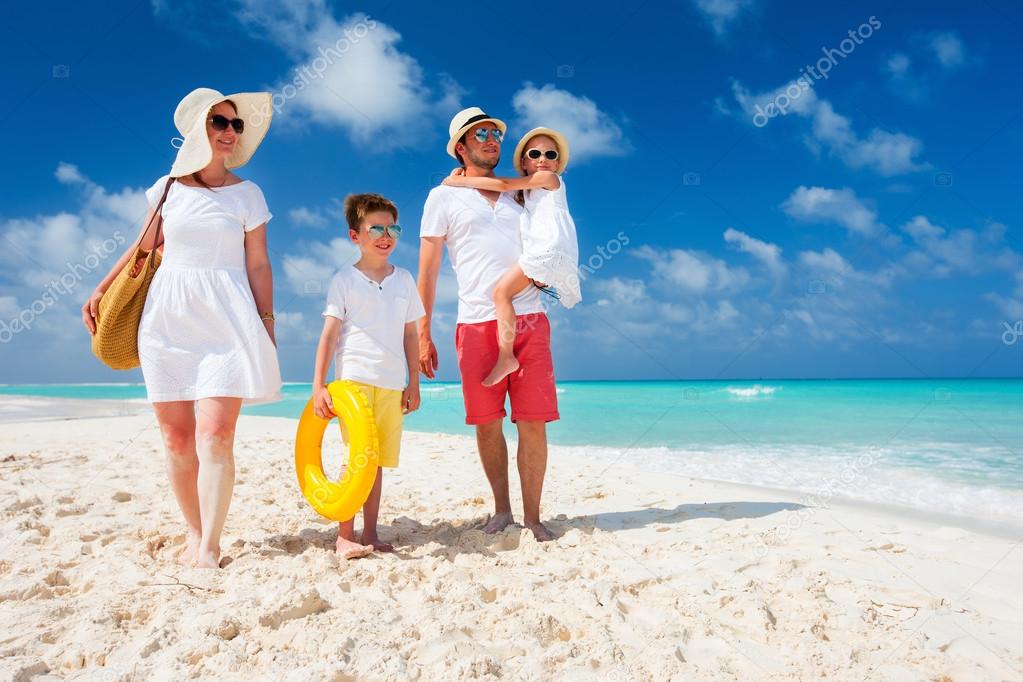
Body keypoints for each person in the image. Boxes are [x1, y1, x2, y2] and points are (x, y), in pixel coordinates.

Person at [82, 88, 281, 569]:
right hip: (167, 318)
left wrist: (267, 322)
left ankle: (211, 544)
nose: (231, 132)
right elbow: (143, 247)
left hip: (228, 319)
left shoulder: (248, 194)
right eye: (220, 122)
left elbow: (258, 265)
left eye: (236, 124)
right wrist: (100, 289)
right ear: (198, 129)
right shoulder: (167, 188)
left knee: (215, 436)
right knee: (176, 438)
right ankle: (193, 532)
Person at [418, 107, 560, 542]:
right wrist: (423, 332)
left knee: (533, 421)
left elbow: (551, 240)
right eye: (480, 133)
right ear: (461, 146)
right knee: (486, 421)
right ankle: (502, 510)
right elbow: (428, 269)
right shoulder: (441, 197)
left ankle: (533, 517)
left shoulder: (522, 194)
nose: (491, 138)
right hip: (475, 321)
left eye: (495, 132)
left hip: (530, 315)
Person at [311, 193, 424, 559]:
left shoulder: (405, 279)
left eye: (393, 227)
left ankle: (371, 533)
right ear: (355, 236)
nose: (385, 234)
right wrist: (319, 385)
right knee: (356, 458)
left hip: (391, 383)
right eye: (376, 227)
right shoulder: (344, 279)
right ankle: (346, 534)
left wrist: (414, 381)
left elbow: (411, 334)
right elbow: (329, 334)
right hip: (353, 381)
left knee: (376, 463)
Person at [443, 126, 581, 386]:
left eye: (550, 154)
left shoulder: (551, 181)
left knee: (501, 293)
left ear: (558, 164)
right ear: (523, 162)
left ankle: (506, 357)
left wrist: (459, 181)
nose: (543, 159)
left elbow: (502, 184)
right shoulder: (526, 193)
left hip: (549, 250)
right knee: (504, 293)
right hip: (546, 252)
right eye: (535, 153)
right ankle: (506, 356)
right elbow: (505, 189)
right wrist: (459, 172)